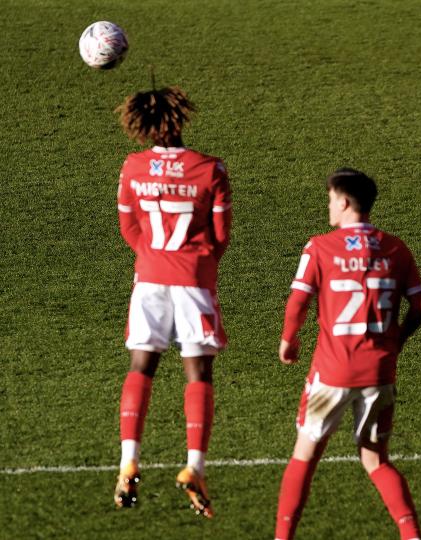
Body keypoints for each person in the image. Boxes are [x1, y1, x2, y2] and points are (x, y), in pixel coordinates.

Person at [274, 168, 421, 540]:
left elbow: (299, 301)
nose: (328, 206)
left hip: (332, 373)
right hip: (379, 372)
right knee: (375, 458)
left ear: (343, 202)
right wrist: (397, 342)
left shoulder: (320, 247)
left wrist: (288, 341)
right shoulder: (396, 248)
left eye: (330, 199)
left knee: (304, 456)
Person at [113, 86, 231, 518]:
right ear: (179, 120)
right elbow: (220, 237)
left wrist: (152, 258)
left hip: (149, 279)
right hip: (194, 280)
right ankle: (194, 467)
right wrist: (197, 264)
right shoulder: (209, 168)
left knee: (141, 365)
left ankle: (129, 459)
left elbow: (129, 228)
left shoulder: (133, 167)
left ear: (142, 125)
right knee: (198, 371)